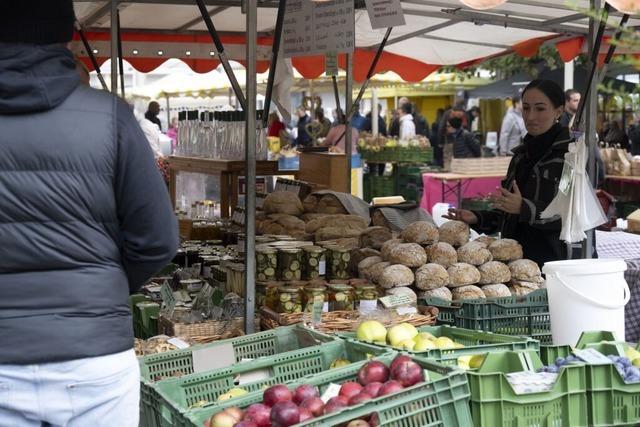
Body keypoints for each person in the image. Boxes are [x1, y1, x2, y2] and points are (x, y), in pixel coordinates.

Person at [0, 2, 179, 426]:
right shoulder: (109, 115)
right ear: (69, 33)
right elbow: (158, 239)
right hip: (95, 359)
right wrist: (103, 282)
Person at [444, 79, 573, 267]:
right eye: (526, 108)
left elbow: (570, 214)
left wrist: (524, 208)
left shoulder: (570, 157)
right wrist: (478, 218)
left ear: (559, 111)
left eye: (540, 108)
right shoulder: (521, 155)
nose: (530, 116)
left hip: (554, 263)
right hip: (514, 261)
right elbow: (509, 212)